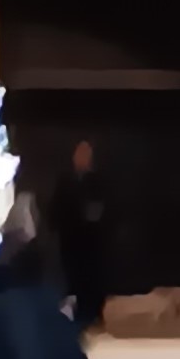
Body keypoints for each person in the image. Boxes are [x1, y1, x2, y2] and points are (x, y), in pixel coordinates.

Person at [54, 137, 112, 330]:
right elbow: (55, 210)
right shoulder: (65, 181)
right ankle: (74, 318)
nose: (82, 158)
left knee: (91, 280)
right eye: (79, 153)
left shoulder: (97, 182)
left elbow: (103, 210)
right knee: (73, 281)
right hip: (70, 243)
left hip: (91, 244)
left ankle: (93, 315)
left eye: (86, 154)